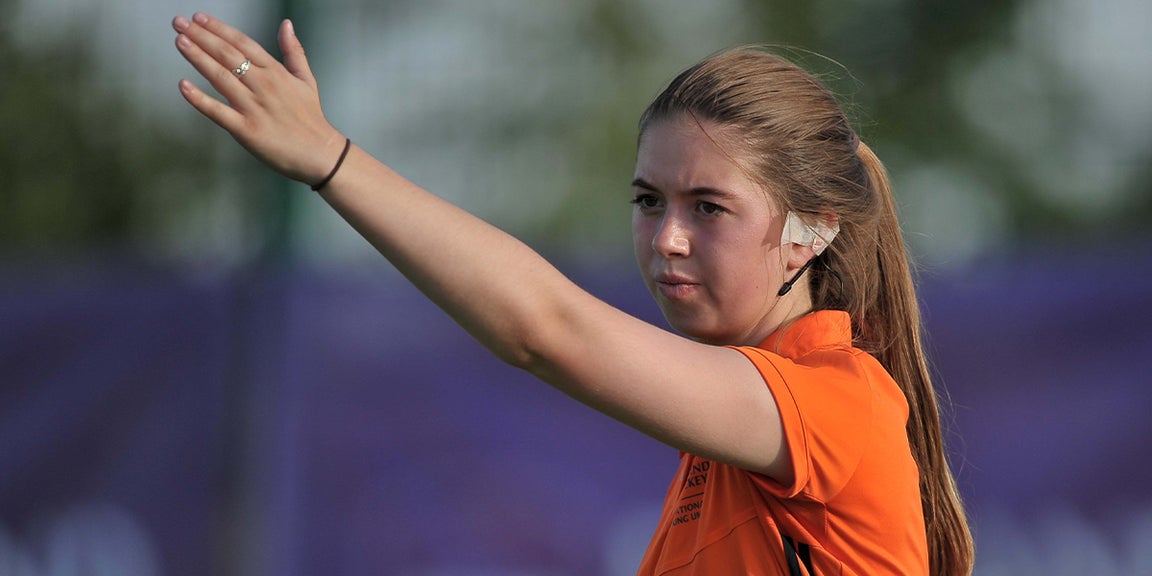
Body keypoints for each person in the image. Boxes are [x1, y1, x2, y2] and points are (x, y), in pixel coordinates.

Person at [171, 12, 974, 575]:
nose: (667, 237)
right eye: (648, 201)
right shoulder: (736, 433)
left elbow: (546, 330)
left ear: (814, 230)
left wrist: (331, 160)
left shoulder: (838, 404)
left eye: (709, 207)